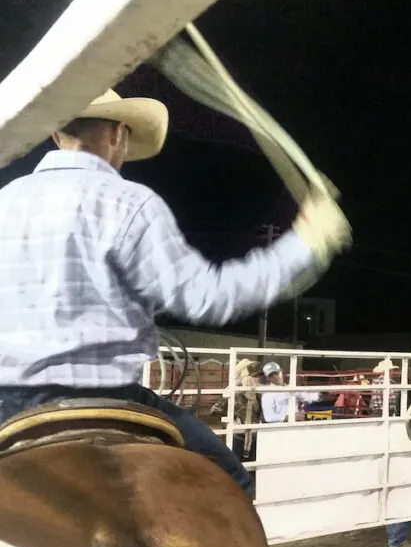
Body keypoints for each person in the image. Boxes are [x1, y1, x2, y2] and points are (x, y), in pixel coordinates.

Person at [0, 90, 350, 499]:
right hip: (109, 400)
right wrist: (307, 241)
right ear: (118, 135)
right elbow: (207, 298)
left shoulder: (6, 201)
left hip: (8, 403)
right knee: (231, 484)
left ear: (58, 134)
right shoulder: (130, 204)